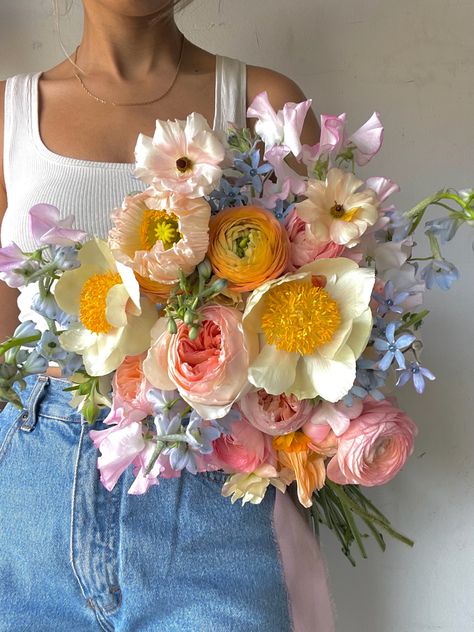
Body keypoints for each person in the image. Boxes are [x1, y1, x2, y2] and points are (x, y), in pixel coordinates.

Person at [0, 1, 335, 630]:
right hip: (27, 505)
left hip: (213, 491)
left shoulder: (264, 103)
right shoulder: (8, 114)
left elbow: (323, 309)